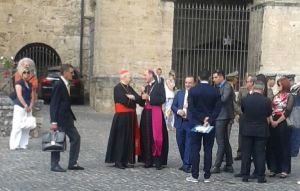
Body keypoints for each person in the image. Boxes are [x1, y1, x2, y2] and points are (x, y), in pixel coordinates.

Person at [186, 70, 221, 183]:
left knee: (195, 149)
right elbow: (218, 109)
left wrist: (201, 118)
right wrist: (208, 119)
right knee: (208, 149)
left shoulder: (193, 90)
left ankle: (195, 175)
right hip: (210, 124)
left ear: (199, 77)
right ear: (210, 78)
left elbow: (191, 108)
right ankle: (207, 175)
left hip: (196, 122)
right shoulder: (215, 91)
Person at [50, 64, 84, 172]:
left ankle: (72, 163)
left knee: (76, 138)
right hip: (60, 119)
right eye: (71, 72)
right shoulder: (59, 85)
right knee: (58, 141)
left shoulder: (66, 84)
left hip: (68, 118)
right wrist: (53, 121)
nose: (73, 74)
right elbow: (54, 104)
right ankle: (54, 164)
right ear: (65, 73)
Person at [105, 70, 142, 169]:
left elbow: (138, 99)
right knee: (120, 139)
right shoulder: (117, 88)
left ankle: (125, 160)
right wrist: (133, 100)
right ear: (124, 78)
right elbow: (124, 101)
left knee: (128, 139)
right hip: (121, 117)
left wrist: (133, 97)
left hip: (130, 117)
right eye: (129, 77)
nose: (131, 78)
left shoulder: (129, 88)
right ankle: (118, 161)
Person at [239, 80, 272, 183]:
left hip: (247, 130)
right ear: (262, 89)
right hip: (261, 130)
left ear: (253, 88)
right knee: (260, 153)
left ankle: (245, 175)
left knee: (246, 153)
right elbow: (268, 114)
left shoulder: (245, 99)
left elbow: (243, 111)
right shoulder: (267, 101)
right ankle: (260, 176)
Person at [139, 69, 169, 170]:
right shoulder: (146, 87)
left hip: (156, 113)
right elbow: (142, 103)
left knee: (157, 138)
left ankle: (158, 161)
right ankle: (148, 160)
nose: (144, 77)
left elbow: (162, 99)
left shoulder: (159, 86)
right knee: (147, 137)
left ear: (151, 75)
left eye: (145, 75)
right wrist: (141, 94)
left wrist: (149, 97)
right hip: (146, 115)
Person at [267, 77, 293, 178]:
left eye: (279, 84)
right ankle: (273, 168)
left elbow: (288, 111)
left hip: (283, 121)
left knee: (283, 145)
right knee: (272, 145)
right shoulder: (275, 96)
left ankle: (284, 169)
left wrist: (277, 121)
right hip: (273, 119)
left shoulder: (289, 96)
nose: (277, 86)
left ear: (284, 85)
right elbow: (270, 108)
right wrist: (271, 120)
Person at [211, 69, 235, 174]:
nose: (214, 80)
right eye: (213, 77)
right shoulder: (218, 87)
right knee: (224, 140)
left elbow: (224, 99)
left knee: (220, 141)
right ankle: (229, 164)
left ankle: (217, 165)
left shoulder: (227, 86)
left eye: (216, 77)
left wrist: (213, 96)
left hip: (223, 116)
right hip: (220, 116)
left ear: (221, 77)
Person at [9, 60, 34, 150]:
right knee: (17, 126)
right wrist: (25, 105)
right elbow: (19, 95)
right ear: (21, 73)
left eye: (28, 72)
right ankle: (14, 145)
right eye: (24, 72)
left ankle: (23, 144)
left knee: (26, 127)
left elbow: (32, 97)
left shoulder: (30, 84)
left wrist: (30, 106)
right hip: (20, 106)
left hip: (27, 108)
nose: (26, 74)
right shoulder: (18, 83)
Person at [171, 76, 195, 173]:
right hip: (180, 122)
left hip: (190, 122)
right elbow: (173, 105)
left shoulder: (196, 95)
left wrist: (188, 109)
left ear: (193, 84)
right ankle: (185, 162)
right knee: (180, 143)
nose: (187, 84)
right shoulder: (179, 93)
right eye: (186, 82)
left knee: (188, 144)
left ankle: (187, 164)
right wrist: (178, 111)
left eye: (190, 83)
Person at [234, 75, 256, 161]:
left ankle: (251, 154)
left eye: (247, 81)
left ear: (252, 83)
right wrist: (238, 113)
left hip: (253, 117)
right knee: (241, 134)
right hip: (243, 115)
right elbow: (238, 102)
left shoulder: (256, 91)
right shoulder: (242, 90)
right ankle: (240, 153)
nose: (246, 83)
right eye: (246, 81)